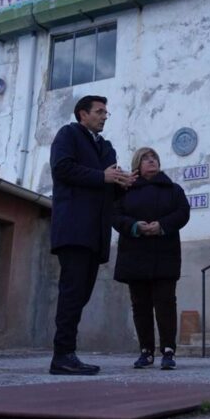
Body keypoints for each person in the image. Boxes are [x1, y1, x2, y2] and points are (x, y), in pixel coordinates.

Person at [48, 95, 135, 375]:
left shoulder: (106, 147)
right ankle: (62, 356)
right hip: (74, 227)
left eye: (106, 112)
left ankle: (68, 353)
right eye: (99, 111)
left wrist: (124, 183)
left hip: (95, 233)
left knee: (81, 294)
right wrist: (103, 177)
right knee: (72, 292)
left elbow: (108, 185)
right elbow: (62, 168)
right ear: (82, 115)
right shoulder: (68, 134)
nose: (104, 115)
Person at [113, 147, 191, 370]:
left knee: (166, 303)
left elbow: (182, 212)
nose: (151, 161)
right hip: (134, 253)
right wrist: (134, 226)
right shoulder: (125, 191)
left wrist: (162, 225)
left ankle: (168, 350)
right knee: (140, 304)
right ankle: (145, 351)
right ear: (137, 164)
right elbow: (115, 215)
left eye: (154, 158)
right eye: (146, 159)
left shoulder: (173, 189)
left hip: (164, 252)